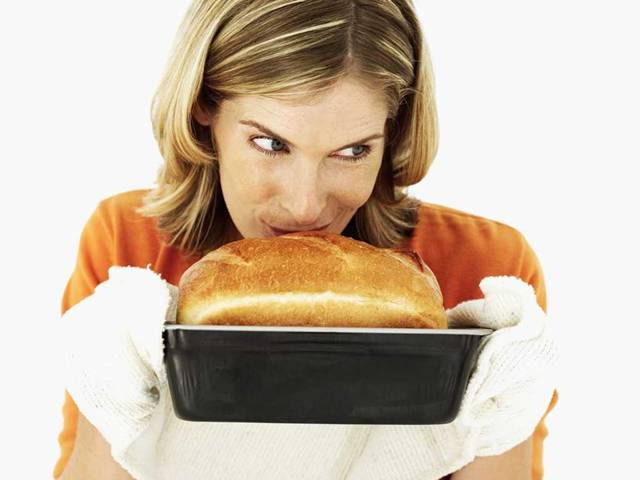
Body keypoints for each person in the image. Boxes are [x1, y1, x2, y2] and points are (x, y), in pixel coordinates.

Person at [54, 0, 558, 478]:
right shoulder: (129, 248)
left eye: (353, 151)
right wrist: (112, 408)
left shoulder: (486, 270)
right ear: (203, 106)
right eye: (271, 143)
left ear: (394, 131)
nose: (305, 206)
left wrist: (501, 421)